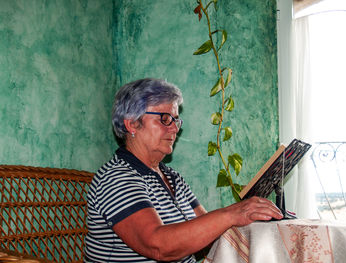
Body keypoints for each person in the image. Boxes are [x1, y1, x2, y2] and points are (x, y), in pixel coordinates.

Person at [84, 78, 283, 262]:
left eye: (175, 119)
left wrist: (248, 214)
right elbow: (158, 246)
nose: (174, 128)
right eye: (164, 119)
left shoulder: (172, 177)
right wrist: (231, 214)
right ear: (132, 124)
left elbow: (205, 228)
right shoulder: (117, 178)